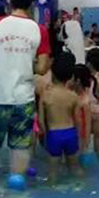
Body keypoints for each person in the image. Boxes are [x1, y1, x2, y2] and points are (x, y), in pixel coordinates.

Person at [0, 0, 50, 178]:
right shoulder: (39, 30)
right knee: (20, 147)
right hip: (23, 99)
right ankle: (17, 188)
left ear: (10, 2)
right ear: (31, 5)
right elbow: (42, 68)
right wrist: (24, 64)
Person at [39, 54, 83, 182]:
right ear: (70, 76)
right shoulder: (73, 96)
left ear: (52, 72)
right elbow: (78, 120)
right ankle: (80, 185)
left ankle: (52, 187)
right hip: (70, 133)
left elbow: (41, 122)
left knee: (52, 172)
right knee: (75, 168)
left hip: (54, 135)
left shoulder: (45, 95)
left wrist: (45, 138)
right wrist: (79, 138)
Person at [72, 64, 93, 154]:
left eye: (72, 78)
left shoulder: (85, 100)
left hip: (81, 134)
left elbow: (88, 123)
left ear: (78, 81)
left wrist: (87, 139)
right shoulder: (72, 94)